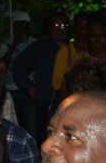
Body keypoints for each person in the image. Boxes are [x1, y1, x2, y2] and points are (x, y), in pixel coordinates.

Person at [12, 10, 75, 143]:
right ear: (49, 28)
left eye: (63, 26)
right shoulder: (40, 47)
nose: (60, 29)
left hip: (72, 105)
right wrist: (31, 90)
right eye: (56, 26)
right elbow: (18, 65)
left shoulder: (75, 48)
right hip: (46, 105)